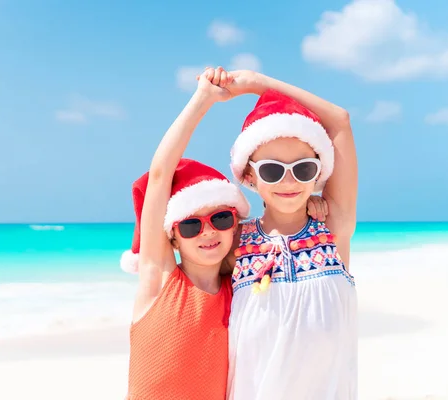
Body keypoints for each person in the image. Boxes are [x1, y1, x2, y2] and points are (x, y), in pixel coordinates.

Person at [120, 68, 330, 400]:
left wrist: (307, 202)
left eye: (220, 218)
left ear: (235, 225)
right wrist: (202, 99)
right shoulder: (160, 279)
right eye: (190, 225)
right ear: (172, 236)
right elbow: (160, 175)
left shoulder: (241, 291)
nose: (207, 232)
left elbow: (278, 227)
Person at [219, 67, 359, 400]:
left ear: (319, 172)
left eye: (303, 169)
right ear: (250, 177)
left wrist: (259, 84)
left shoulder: (332, 228)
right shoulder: (233, 241)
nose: (289, 182)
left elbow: (339, 120)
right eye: (272, 170)